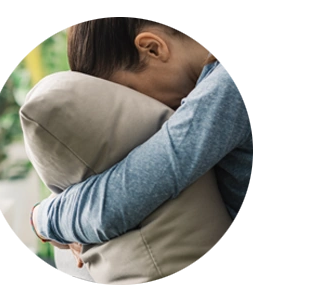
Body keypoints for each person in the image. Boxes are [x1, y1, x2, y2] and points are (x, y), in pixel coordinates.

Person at [30, 17, 254, 270]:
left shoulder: (231, 84)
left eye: (131, 92)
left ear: (152, 48)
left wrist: (41, 218)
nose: (141, 107)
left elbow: (117, 203)